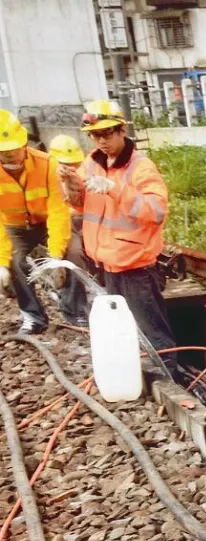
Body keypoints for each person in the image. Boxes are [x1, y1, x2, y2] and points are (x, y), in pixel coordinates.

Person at [79, 99, 177, 372]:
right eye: (95, 135)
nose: (101, 141)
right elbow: (79, 205)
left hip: (136, 265)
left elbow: (155, 211)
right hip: (107, 262)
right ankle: (143, 370)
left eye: (107, 134)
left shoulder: (140, 168)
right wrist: (69, 186)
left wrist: (115, 188)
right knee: (126, 326)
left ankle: (171, 379)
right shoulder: (92, 163)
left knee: (153, 330)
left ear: (122, 130)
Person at [0, 109, 70, 335]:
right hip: (14, 226)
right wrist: (2, 262)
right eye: (4, 151)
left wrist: (56, 255)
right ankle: (33, 317)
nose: (10, 154)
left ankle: (75, 313)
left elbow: (58, 210)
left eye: (13, 148)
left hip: (45, 222)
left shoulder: (46, 164)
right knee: (16, 261)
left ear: (23, 144)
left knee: (74, 253)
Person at [48, 135, 89, 326]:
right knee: (74, 255)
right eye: (66, 163)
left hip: (84, 222)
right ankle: (74, 309)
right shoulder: (47, 178)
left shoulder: (82, 173)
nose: (71, 167)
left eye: (74, 163)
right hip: (61, 225)